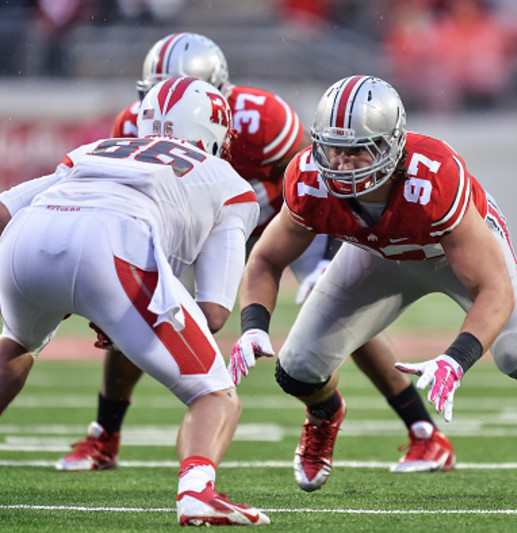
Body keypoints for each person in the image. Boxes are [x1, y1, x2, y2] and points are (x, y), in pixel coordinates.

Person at [229, 74, 517, 499]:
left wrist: (455, 360)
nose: (342, 165)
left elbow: (494, 290)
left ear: (391, 145)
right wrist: (253, 324)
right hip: (376, 255)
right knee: (298, 367)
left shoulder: (433, 179)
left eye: (359, 151)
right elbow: (266, 258)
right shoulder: (309, 179)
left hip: (447, 254)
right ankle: (325, 414)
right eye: (333, 151)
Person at [53, 32, 453, 475]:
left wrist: (309, 248)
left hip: (274, 221)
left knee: (337, 306)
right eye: (157, 98)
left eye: (189, 97)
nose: (169, 109)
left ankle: (423, 431)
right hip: (191, 225)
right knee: (140, 302)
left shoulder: (263, 119)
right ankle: (104, 437)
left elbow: (324, 185)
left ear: (221, 92)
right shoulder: (132, 125)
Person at [0, 77, 269, 526]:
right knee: (216, 395)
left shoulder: (97, 149)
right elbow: (215, 313)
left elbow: (6, 210)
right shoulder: (230, 182)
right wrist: (122, 320)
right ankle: (197, 492)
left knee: (15, 346)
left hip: (26, 239)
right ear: (213, 132)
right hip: (115, 245)